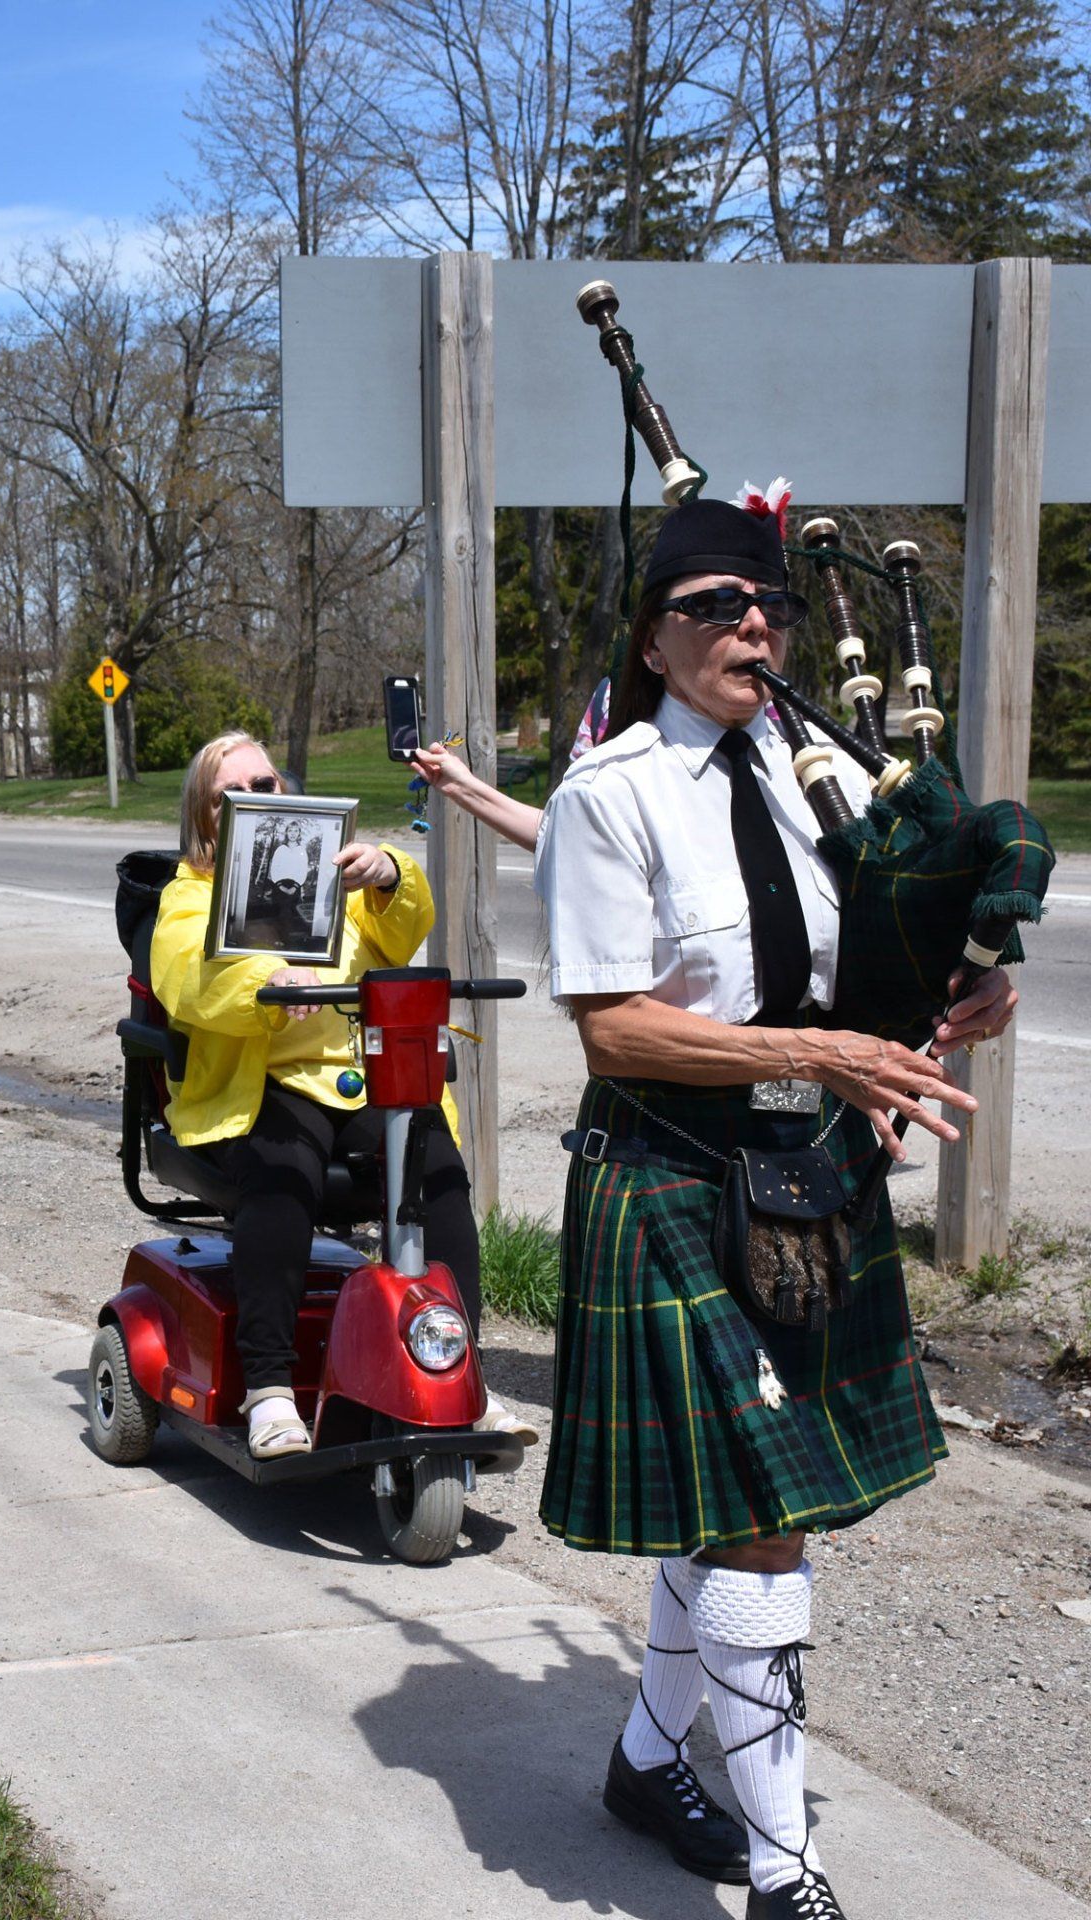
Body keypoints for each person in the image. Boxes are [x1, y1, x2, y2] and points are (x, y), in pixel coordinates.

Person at [533, 498, 1018, 1919]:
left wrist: (964, 989)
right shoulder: (608, 795)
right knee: (765, 1524)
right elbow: (613, 1029)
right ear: (655, 639)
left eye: (771, 608)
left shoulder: (833, 781)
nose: (756, 628)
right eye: (717, 608)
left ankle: (645, 1764)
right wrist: (820, 1052)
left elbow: (873, 963)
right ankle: (785, 1867)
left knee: (742, 1510)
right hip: (672, 1176)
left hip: (809, 1176)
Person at [150, 729, 534, 1461]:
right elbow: (185, 980)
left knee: (437, 1175)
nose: (260, 798)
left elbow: (402, 932)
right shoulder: (189, 896)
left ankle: (462, 1368)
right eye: (236, 793)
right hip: (263, 1080)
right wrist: (267, 980)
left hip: (359, 1075)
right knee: (282, 1173)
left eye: (268, 784)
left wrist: (389, 876)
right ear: (206, 817)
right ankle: (268, 1390)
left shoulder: (329, 875)